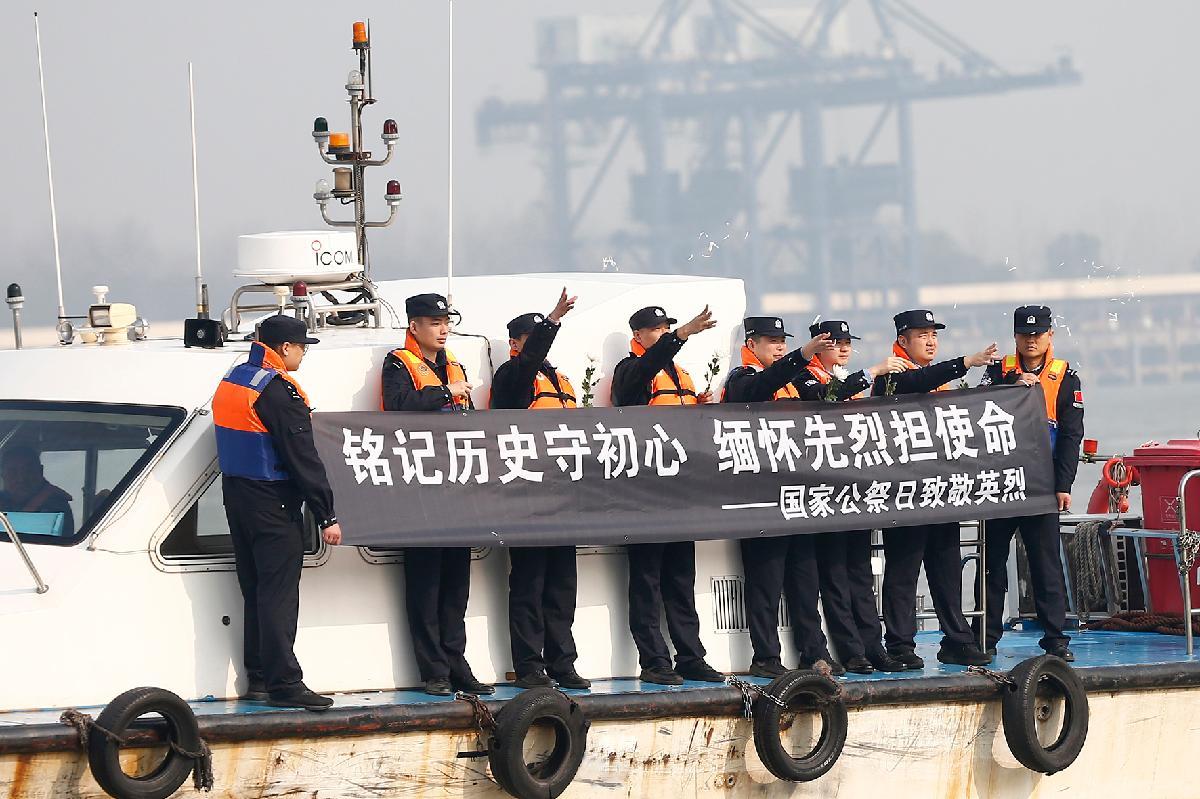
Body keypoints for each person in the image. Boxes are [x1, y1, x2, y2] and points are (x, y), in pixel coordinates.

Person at [212, 314, 342, 711]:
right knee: (279, 596)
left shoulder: (237, 378)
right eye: (302, 347)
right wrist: (326, 515)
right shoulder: (278, 391)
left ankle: (260, 678)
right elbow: (303, 457)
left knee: (255, 590)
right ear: (285, 347)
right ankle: (285, 683)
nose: (303, 354)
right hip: (274, 502)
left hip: (238, 497)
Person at [870, 309, 998, 669]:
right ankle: (900, 643)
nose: (930, 341)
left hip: (941, 490)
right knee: (904, 570)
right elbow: (918, 382)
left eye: (934, 335)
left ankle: (957, 640)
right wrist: (965, 362)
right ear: (903, 340)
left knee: (946, 568)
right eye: (922, 335)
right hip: (906, 493)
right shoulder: (891, 377)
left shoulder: (937, 381)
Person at [381, 293, 493, 697]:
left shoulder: (454, 365)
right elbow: (398, 405)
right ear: (414, 327)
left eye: (446, 322)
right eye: (434, 323)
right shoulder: (398, 363)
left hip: (458, 488)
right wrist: (446, 392)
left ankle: (456, 663)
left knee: (456, 585)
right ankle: (433, 671)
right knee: (425, 584)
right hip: (420, 490)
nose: (443, 330)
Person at [611, 304, 724, 685]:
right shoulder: (631, 370)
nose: (663, 334)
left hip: (680, 492)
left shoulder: (681, 375)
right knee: (647, 580)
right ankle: (654, 660)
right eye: (656, 330)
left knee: (680, 579)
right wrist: (681, 335)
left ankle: (691, 656)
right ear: (638, 336)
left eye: (666, 329)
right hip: (644, 492)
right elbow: (645, 371)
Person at [723, 316, 839, 677]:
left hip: (796, 495)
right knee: (766, 582)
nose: (779, 347)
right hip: (760, 499)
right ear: (751, 344)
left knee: (805, 579)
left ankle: (814, 652)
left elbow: (824, 400)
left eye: (783, 341)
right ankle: (766, 656)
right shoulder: (741, 380)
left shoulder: (794, 382)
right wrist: (802, 355)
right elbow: (763, 385)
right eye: (772, 341)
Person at [796, 320, 911, 674]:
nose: (845, 348)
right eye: (836, 342)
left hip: (855, 490)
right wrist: (872, 372)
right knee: (834, 575)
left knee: (859, 573)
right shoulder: (804, 377)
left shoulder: (847, 379)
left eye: (848, 342)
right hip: (823, 491)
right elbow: (823, 398)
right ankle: (851, 650)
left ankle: (873, 646)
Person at [491, 288, 591, 690]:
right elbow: (529, 362)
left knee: (562, 585)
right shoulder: (512, 377)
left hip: (563, 496)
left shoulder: (560, 380)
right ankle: (530, 666)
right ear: (515, 344)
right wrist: (552, 320)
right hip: (527, 496)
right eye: (530, 339)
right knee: (529, 584)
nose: (538, 346)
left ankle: (563, 663)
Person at [974, 305, 1080, 661]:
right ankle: (985, 638)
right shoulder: (998, 371)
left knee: (1045, 564)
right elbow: (974, 409)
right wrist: (1012, 387)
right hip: (1000, 484)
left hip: (1040, 485)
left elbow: (1071, 435)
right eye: (1024, 334)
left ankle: (1056, 638)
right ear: (1015, 337)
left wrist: (1063, 484)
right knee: (991, 563)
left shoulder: (1066, 377)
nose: (1031, 340)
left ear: (1050, 335)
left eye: (1037, 334)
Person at [0, 445, 74, 535]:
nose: (21, 479)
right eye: (12, 472)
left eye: (29, 471)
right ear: (2, 475)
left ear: (40, 471)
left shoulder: (57, 505)